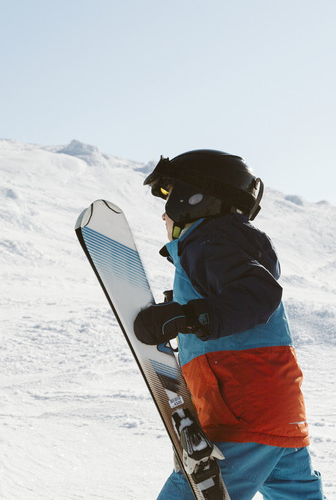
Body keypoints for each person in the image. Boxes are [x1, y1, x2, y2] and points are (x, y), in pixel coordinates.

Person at [133, 149, 324, 499]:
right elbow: (238, 299)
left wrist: (188, 316)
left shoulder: (208, 241)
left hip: (242, 413)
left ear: (194, 198)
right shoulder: (226, 242)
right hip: (276, 412)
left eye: (170, 197)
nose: (163, 213)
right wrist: (182, 312)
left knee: (192, 491)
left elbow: (258, 294)